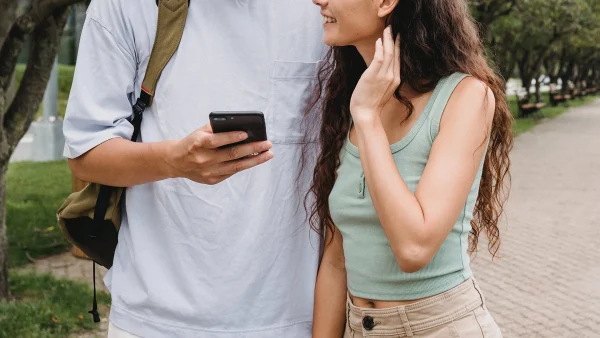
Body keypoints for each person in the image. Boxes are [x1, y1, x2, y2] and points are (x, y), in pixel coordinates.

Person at [62, 0, 326, 337]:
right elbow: (85, 152)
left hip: (297, 317)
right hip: (153, 319)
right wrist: (174, 160)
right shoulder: (126, 5)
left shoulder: (328, 7)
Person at [308, 0, 513, 337]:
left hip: (440, 326)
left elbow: (414, 249)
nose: (318, 0)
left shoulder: (465, 97)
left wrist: (368, 118)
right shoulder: (351, 101)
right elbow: (335, 260)